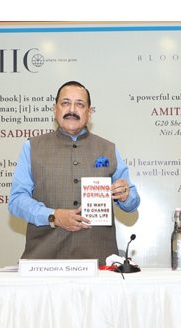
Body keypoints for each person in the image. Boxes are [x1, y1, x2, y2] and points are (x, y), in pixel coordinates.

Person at [9, 80, 140, 265]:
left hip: (98, 261)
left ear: (89, 112)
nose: (72, 109)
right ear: (55, 110)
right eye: (65, 103)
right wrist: (53, 216)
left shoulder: (108, 149)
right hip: (44, 262)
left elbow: (132, 203)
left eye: (80, 104)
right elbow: (16, 201)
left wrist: (126, 195)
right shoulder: (32, 147)